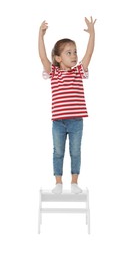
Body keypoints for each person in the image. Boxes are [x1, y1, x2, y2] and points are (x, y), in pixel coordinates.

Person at [38, 16, 96, 194]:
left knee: (76, 152)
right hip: (58, 122)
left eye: (75, 52)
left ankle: (74, 181)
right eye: (68, 53)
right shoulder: (53, 73)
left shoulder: (79, 71)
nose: (74, 56)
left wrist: (92, 34)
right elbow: (42, 56)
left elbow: (89, 53)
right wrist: (40, 35)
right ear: (58, 58)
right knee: (58, 152)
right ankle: (58, 182)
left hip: (76, 121)